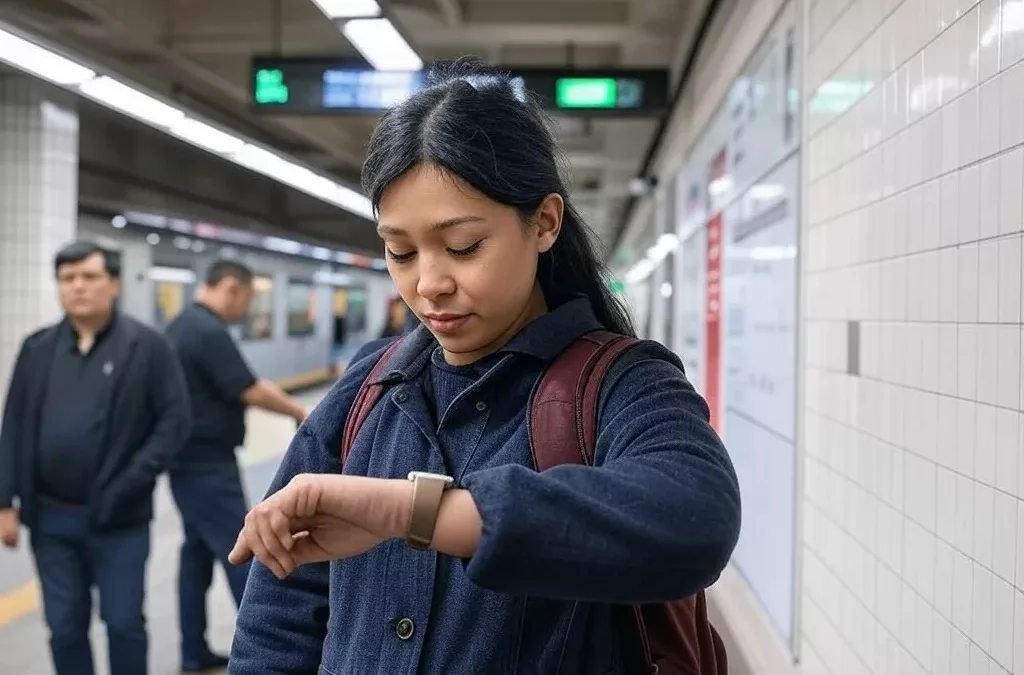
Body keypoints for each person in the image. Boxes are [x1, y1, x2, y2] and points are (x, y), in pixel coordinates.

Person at [227, 65, 741, 675]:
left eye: (464, 246)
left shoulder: (620, 386)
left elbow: (693, 519)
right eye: (400, 251)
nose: (428, 284)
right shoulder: (368, 390)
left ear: (545, 223)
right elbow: (278, 619)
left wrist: (412, 512)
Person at [0, 240, 191, 675]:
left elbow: (174, 424)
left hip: (119, 519)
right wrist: (3, 500)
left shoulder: (147, 347)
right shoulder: (37, 349)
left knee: (123, 622)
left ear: (114, 284)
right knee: (64, 626)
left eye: (89, 277)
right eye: (68, 279)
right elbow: (13, 425)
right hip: (50, 519)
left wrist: (130, 482)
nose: (78, 287)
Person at [165, 259, 309, 673]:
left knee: (194, 557)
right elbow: (248, 388)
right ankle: (269, 660)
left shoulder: (181, 325)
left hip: (187, 461)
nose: (245, 309)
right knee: (246, 552)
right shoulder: (207, 331)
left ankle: (192, 652)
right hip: (206, 465)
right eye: (246, 298)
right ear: (229, 287)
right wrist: (299, 410)